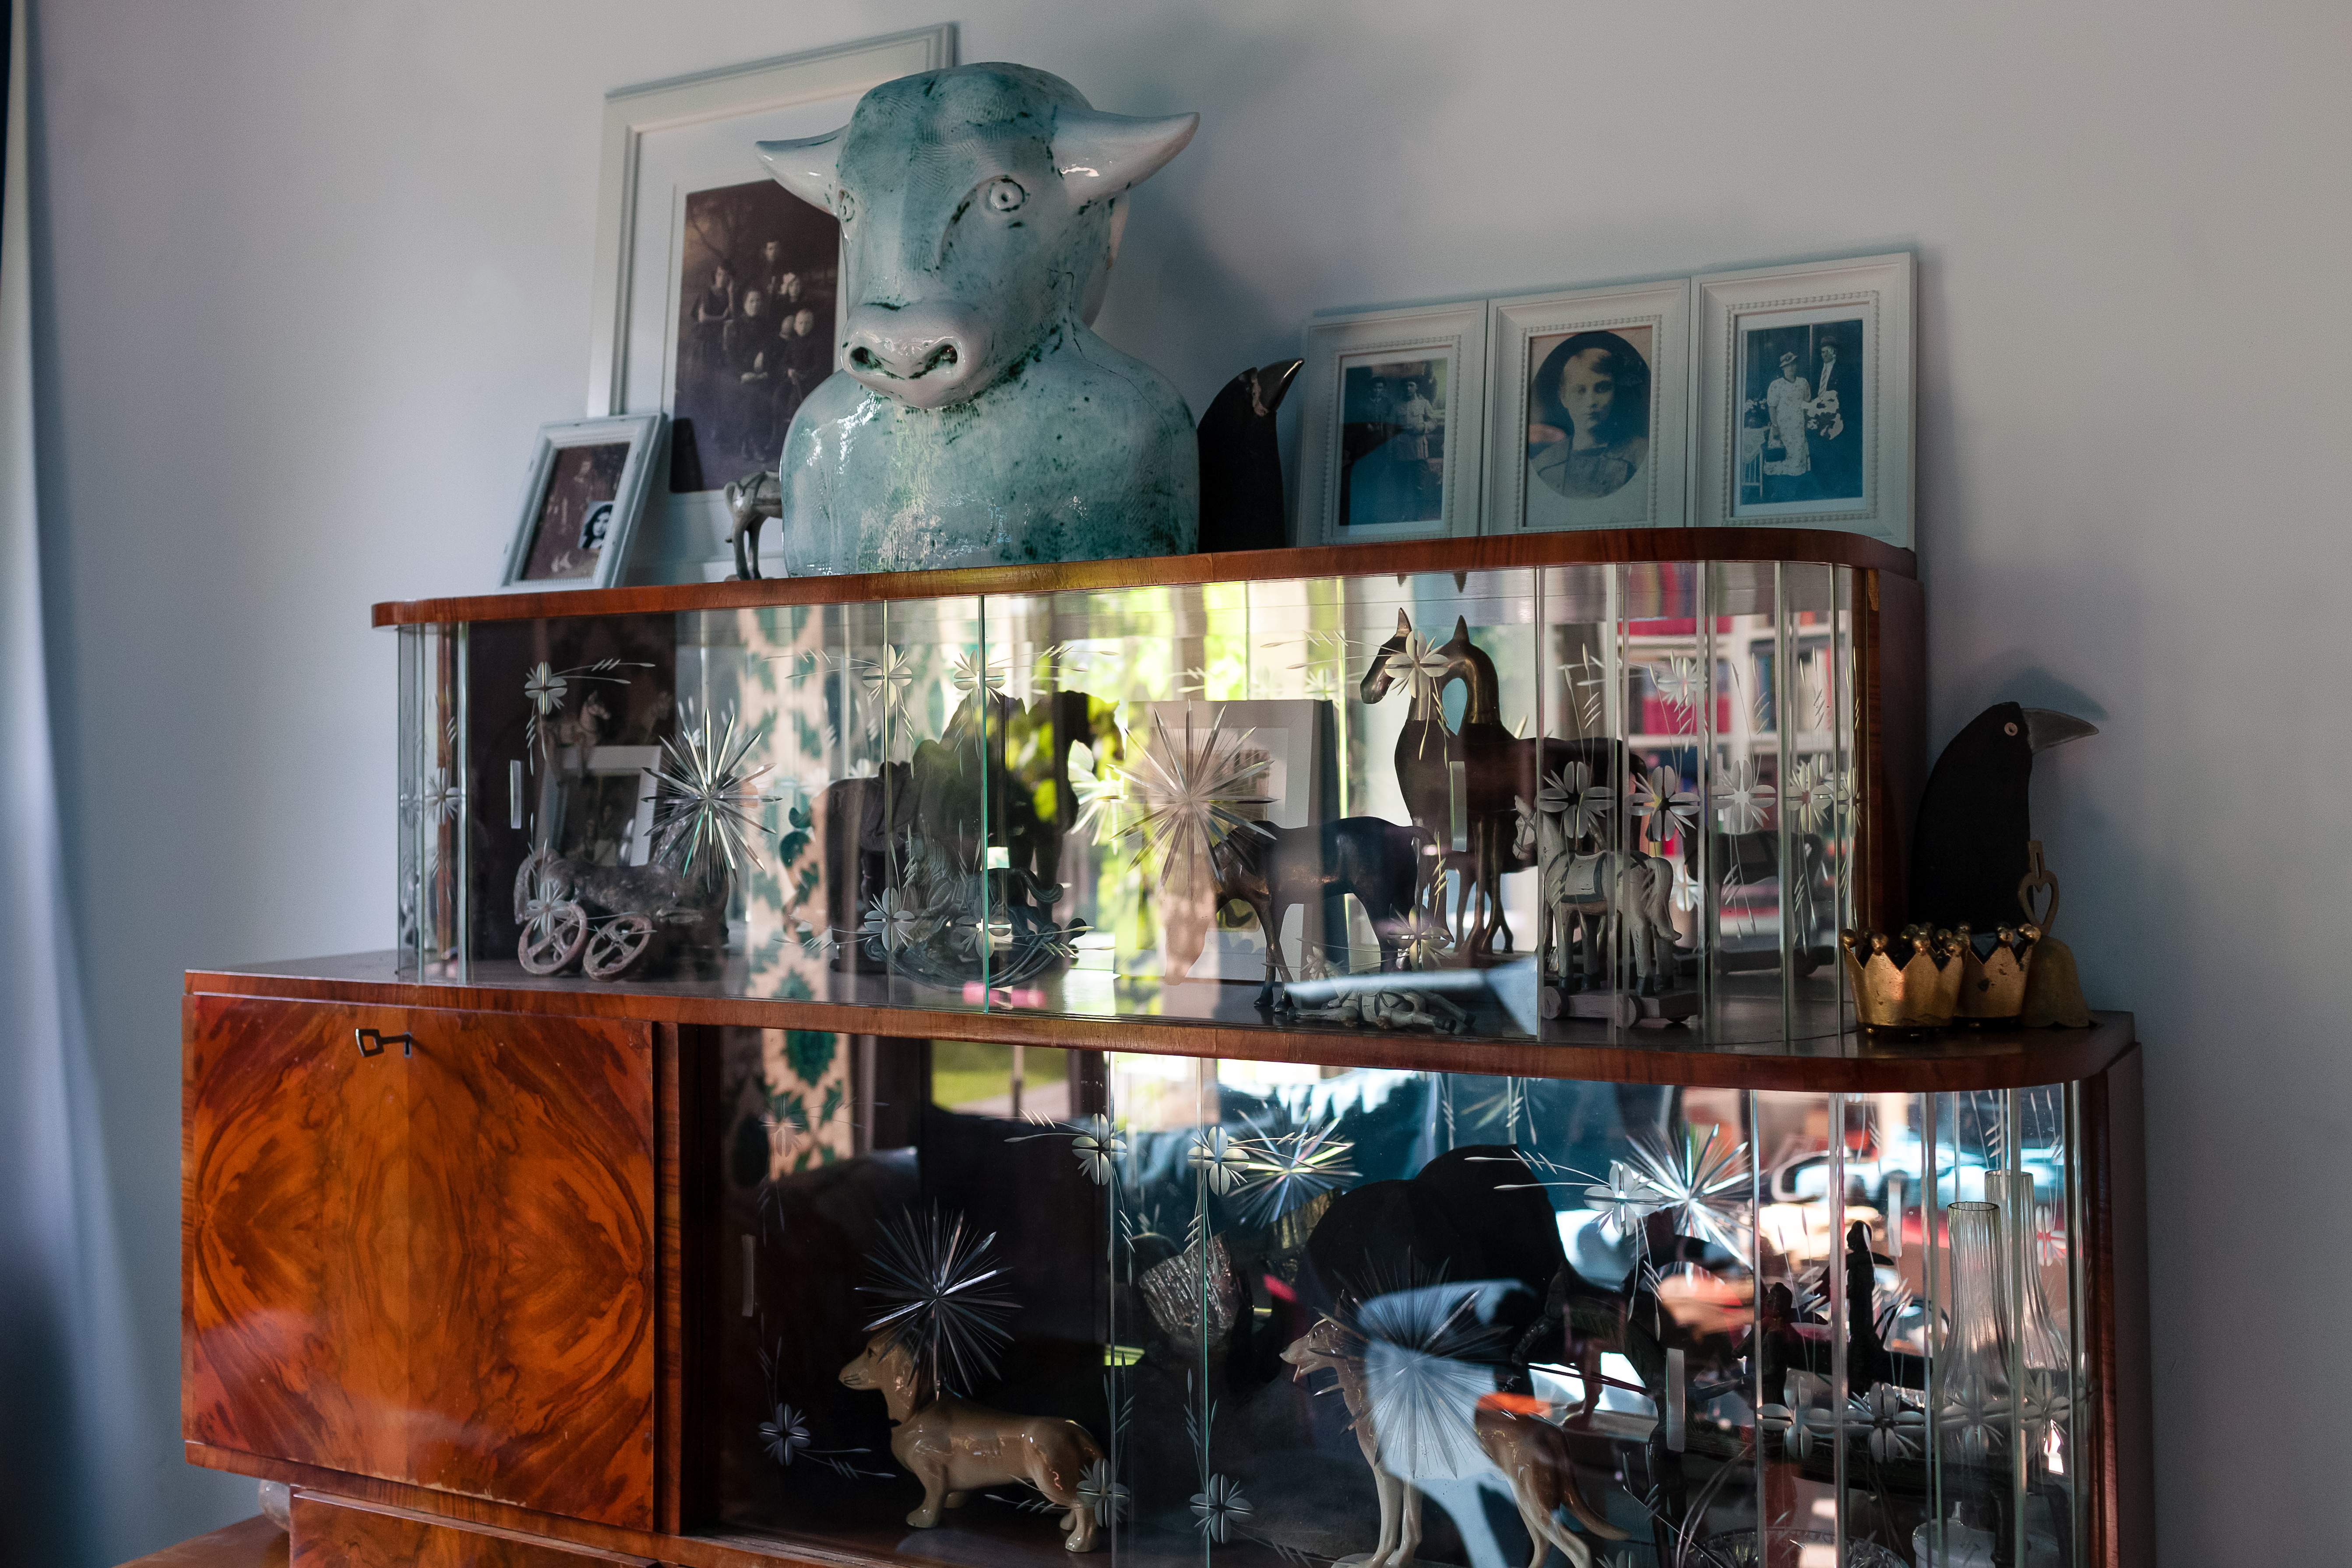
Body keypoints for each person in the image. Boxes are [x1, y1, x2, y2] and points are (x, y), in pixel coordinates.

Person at [1527, 331, 1650, 525]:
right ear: (1564, 396)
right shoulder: (1544, 465)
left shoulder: (1642, 455)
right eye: (1580, 390)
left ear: (1615, 392)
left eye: (1602, 388)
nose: (1591, 402)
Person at [1807, 333, 1862, 498]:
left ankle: (1837, 489)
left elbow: (1852, 397)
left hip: (1837, 420)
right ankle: (1823, 488)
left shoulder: (1846, 370)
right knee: (1820, 453)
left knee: (1836, 454)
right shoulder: (1817, 371)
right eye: (1822, 352)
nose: (1824, 355)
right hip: (1819, 419)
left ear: (1834, 352)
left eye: (1827, 352)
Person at [1756, 350, 1814, 501]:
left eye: (1793, 364)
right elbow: (1772, 407)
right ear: (1783, 368)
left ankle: (1795, 498)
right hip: (1782, 429)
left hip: (1798, 429)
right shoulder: (1776, 385)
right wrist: (1775, 426)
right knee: (1781, 463)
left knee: (1796, 464)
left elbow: (1807, 404)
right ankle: (1780, 497)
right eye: (1788, 365)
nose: (1791, 368)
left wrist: (1807, 423)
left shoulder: (1803, 383)